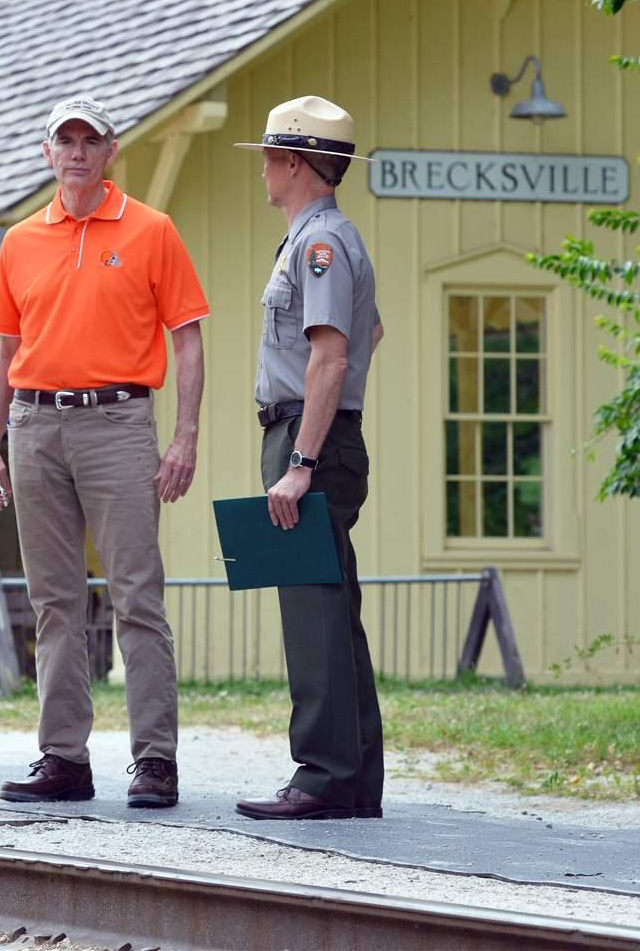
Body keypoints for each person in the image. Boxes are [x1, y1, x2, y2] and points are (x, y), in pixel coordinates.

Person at [0, 96, 208, 809]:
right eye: (63, 140)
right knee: (54, 601)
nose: (76, 151)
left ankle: (156, 761)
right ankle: (63, 758)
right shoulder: (19, 241)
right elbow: (5, 351)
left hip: (118, 423)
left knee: (137, 593)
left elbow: (188, 337)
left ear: (110, 153)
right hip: (34, 426)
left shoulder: (151, 230)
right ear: (47, 154)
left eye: (89, 140)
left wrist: (185, 436)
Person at [232, 96, 386, 821]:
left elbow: (331, 354)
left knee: (313, 612)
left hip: (307, 439)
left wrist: (300, 458)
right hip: (321, 433)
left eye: (268, 156)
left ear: (294, 163)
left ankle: (321, 776)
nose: (261, 170)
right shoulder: (327, 238)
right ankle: (351, 779)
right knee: (333, 608)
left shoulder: (318, 243)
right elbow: (372, 330)